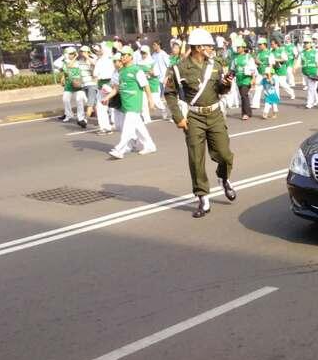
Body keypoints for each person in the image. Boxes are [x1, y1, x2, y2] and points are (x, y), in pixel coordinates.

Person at [164, 28, 237, 218]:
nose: (211, 49)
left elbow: (221, 90)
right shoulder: (179, 68)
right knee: (196, 159)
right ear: (197, 47)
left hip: (215, 114)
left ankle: (223, 177)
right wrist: (178, 117)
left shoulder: (216, 64)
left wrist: (227, 82)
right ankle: (202, 197)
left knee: (225, 154)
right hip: (194, 117)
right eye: (207, 46)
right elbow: (170, 94)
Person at [108, 46, 157, 159]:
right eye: (122, 55)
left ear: (130, 57)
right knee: (139, 127)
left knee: (127, 128)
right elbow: (118, 87)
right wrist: (107, 97)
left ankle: (120, 150)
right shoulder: (121, 71)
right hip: (126, 103)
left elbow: (145, 85)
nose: (122, 58)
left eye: (125, 55)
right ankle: (150, 145)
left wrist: (150, 100)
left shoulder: (136, 70)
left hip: (134, 103)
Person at [58, 47, 87, 127]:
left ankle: (80, 118)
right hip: (69, 84)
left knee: (79, 100)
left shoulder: (78, 62)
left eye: (71, 54)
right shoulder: (65, 62)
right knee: (65, 99)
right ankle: (68, 115)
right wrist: (62, 78)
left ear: (74, 54)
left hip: (78, 84)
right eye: (69, 54)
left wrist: (75, 57)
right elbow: (65, 71)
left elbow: (71, 66)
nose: (70, 55)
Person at [230, 38, 256, 120]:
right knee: (242, 96)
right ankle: (248, 112)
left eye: (239, 47)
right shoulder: (235, 59)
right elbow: (233, 70)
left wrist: (253, 79)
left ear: (243, 48)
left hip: (246, 79)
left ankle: (245, 114)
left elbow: (253, 69)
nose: (237, 49)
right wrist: (230, 77)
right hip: (239, 80)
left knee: (244, 95)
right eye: (237, 47)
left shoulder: (248, 57)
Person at [93, 44, 116, 135]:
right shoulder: (109, 59)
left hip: (105, 85)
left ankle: (106, 128)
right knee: (107, 107)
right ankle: (107, 127)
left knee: (102, 107)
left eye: (99, 50)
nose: (97, 52)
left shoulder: (104, 60)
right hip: (106, 85)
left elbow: (95, 74)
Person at [300, 37, 318, 109]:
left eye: (307, 43)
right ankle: (317, 99)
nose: (306, 44)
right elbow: (299, 62)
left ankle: (309, 103)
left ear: (310, 44)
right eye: (305, 43)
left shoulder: (315, 52)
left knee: (310, 88)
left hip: (313, 72)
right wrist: (295, 67)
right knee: (311, 88)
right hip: (305, 73)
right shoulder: (302, 52)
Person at [251, 38, 274, 112]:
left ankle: (271, 104)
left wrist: (269, 75)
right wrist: (256, 62)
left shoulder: (269, 53)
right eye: (259, 44)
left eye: (260, 44)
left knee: (268, 90)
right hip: (260, 73)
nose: (259, 46)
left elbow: (271, 64)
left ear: (265, 44)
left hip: (267, 73)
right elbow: (256, 61)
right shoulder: (259, 53)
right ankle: (255, 104)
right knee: (258, 88)